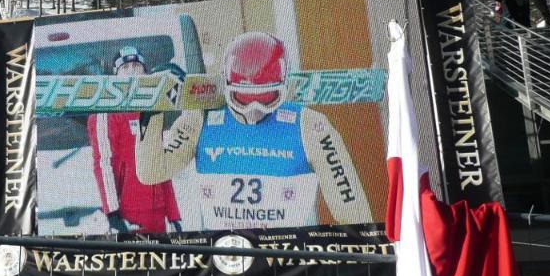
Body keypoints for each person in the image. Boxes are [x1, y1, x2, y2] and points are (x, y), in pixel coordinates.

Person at [136, 31, 372, 232]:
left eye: (268, 99)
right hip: (226, 258)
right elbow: (151, 172)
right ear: (227, 87)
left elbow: (353, 211)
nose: (254, 111)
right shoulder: (201, 118)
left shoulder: (310, 125)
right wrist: (155, 105)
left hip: (285, 262)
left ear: (284, 88)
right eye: (242, 99)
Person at [88, 46, 182, 234]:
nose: (131, 71)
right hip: (128, 213)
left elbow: (160, 162)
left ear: (145, 72)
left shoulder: (153, 109)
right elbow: (103, 164)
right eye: (125, 67)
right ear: (116, 75)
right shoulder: (106, 113)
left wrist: (173, 215)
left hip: (158, 210)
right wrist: (112, 213)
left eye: (136, 66)